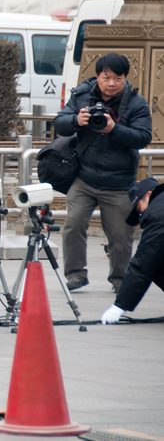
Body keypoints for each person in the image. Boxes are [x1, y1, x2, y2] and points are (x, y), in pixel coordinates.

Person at [54, 53, 152, 293]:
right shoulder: (81, 96)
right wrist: (77, 120)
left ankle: (120, 279)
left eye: (117, 78)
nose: (111, 83)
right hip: (84, 177)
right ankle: (76, 274)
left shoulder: (136, 103)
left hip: (119, 182)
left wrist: (114, 129)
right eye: (105, 77)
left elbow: (143, 137)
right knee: (73, 224)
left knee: (121, 235)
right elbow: (59, 123)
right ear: (97, 76)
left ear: (125, 78)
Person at [101, 178, 164, 324]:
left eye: (139, 207)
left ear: (148, 195)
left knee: (153, 263)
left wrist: (120, 306)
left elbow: (143, 264)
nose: (141, 213)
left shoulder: (158, 214)